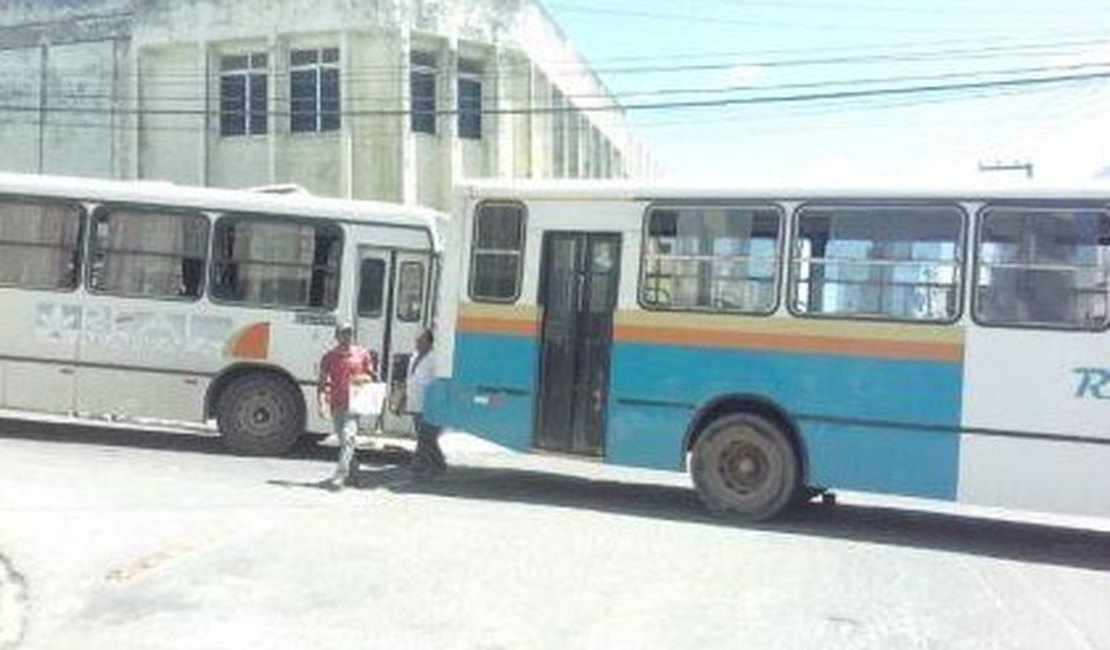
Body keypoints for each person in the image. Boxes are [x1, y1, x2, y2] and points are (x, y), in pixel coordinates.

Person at [317, 322, 377, 490]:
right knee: (344, 441)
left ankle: (340, 476)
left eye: (350, 333)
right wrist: (322, 404)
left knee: (348, 437)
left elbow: (372, 376)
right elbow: (322, 384)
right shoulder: (329, 357)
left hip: (355, 404)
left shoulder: (362, 354)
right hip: (336, 403)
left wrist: (364, 378)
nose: (347, 336)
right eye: (344, 333)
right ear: (337, 336)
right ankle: (355, 471)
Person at [407, 329, 446, 477]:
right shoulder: (414, 356)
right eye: (417, 340)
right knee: (424, 436)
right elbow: (411, 379)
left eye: (421, 340)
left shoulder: (435, 358)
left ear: (429, 342)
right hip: (414, 402)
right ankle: (437, 464)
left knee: (426, 436)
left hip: (429, 403)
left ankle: (420, 465)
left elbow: (438, 381)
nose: (417, 343)